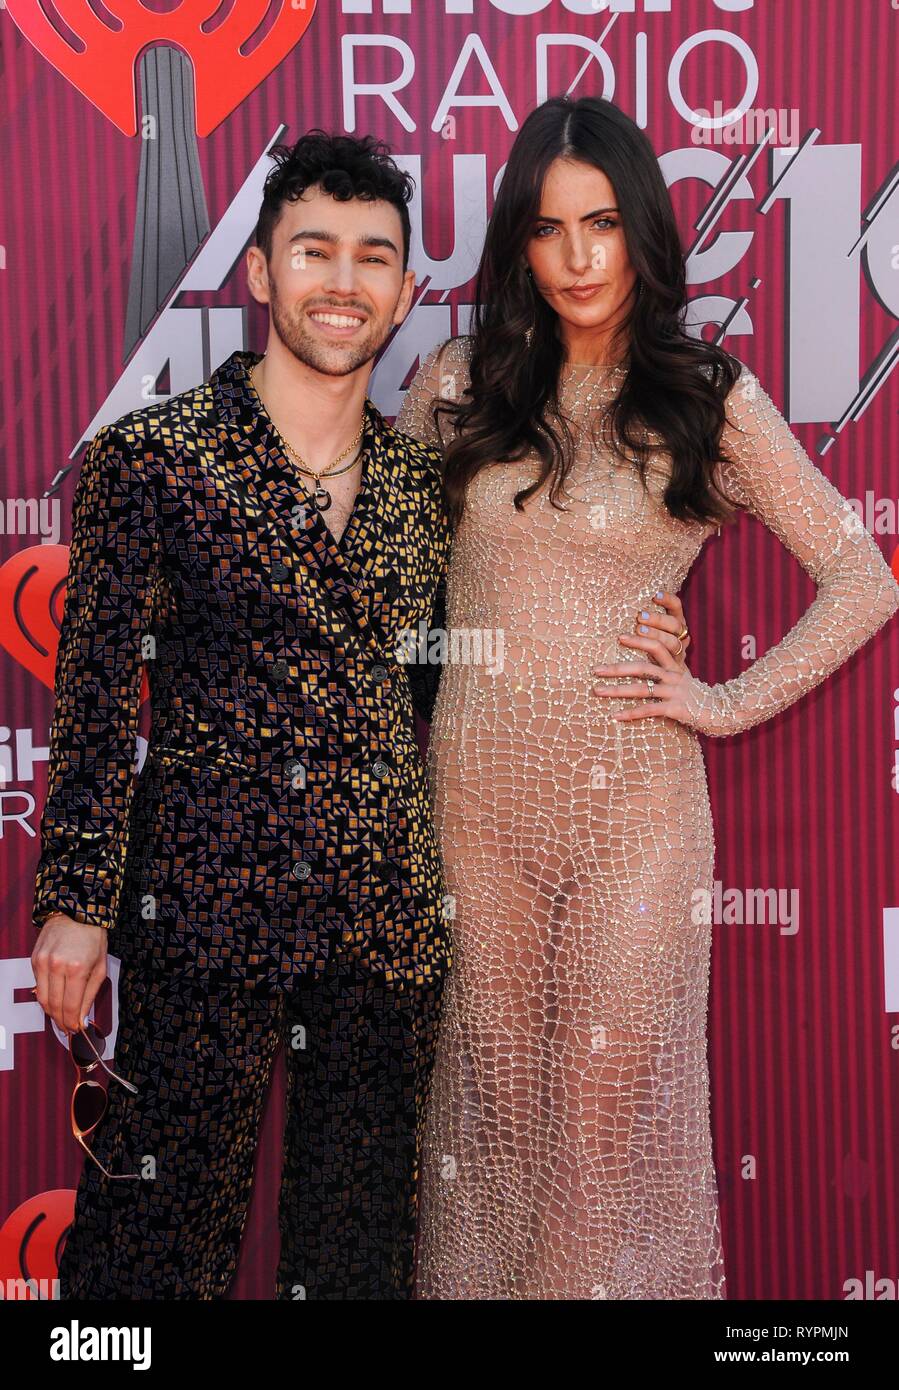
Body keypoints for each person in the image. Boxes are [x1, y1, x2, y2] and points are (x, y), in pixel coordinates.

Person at [394, 95, 899, 1299]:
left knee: (596, 1126)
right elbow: (388, 587)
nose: (576, 259)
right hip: (473, 805)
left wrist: (718, 699)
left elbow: (858, 576)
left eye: (603, 224)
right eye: (549, 227)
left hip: (636, 809)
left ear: (642, 235)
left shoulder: (703, 393)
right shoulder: (458, 383)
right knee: (495, 1118)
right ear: (517, 240)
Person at [30, 130, 454, 1300]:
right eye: (313, 250)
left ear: (405, 292)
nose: (343, 281)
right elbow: (102, 698)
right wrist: (77, 901)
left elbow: (437, 689)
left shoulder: (426, 489)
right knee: (146, 1253)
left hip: (381, 920)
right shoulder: (150, 461)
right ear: (260, 272)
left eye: (373, 258)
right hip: (201, 908)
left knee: (357, 1256)